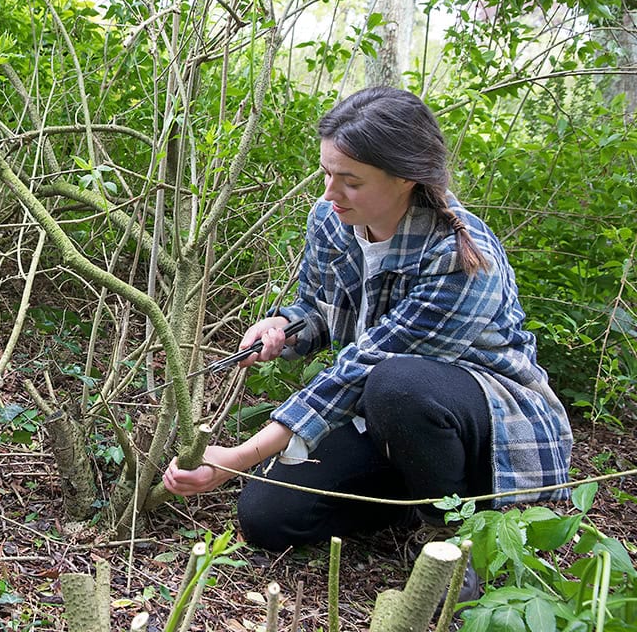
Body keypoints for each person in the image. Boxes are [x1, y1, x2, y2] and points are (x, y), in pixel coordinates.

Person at [162, 87, 573, 552]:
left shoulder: (458, 255)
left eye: (350, 181)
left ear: (405, 178)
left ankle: (451, 535)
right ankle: (415, 488)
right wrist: (283, 328)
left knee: (397, 383)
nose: (330, 193)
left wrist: (239, 456)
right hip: (382, 414)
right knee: (268, 518)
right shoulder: (331, 219)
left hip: (481, 423)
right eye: (326, 174)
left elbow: (365, 366)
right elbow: (318, 308)